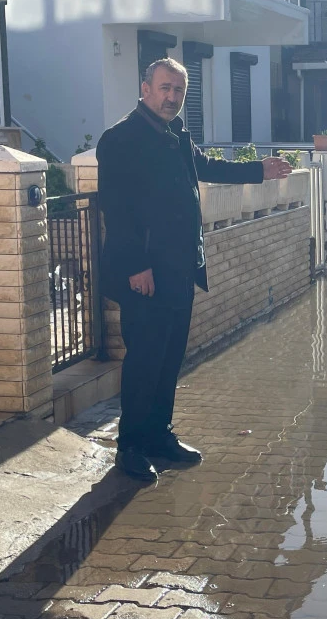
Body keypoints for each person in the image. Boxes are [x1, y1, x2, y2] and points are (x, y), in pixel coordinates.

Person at [97, 57, 292, 481]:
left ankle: (158, 435)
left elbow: (206, 166)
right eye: (165, 88)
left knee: (169, 359)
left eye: (179, 91)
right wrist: (136, 266)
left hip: (180, 268)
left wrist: (260, 169)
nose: (172, 97)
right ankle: (130, 446)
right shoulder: (120, 139)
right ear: (146, 88)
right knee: (145, 359)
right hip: (144, 273)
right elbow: (117, 207)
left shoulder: (176, 134)